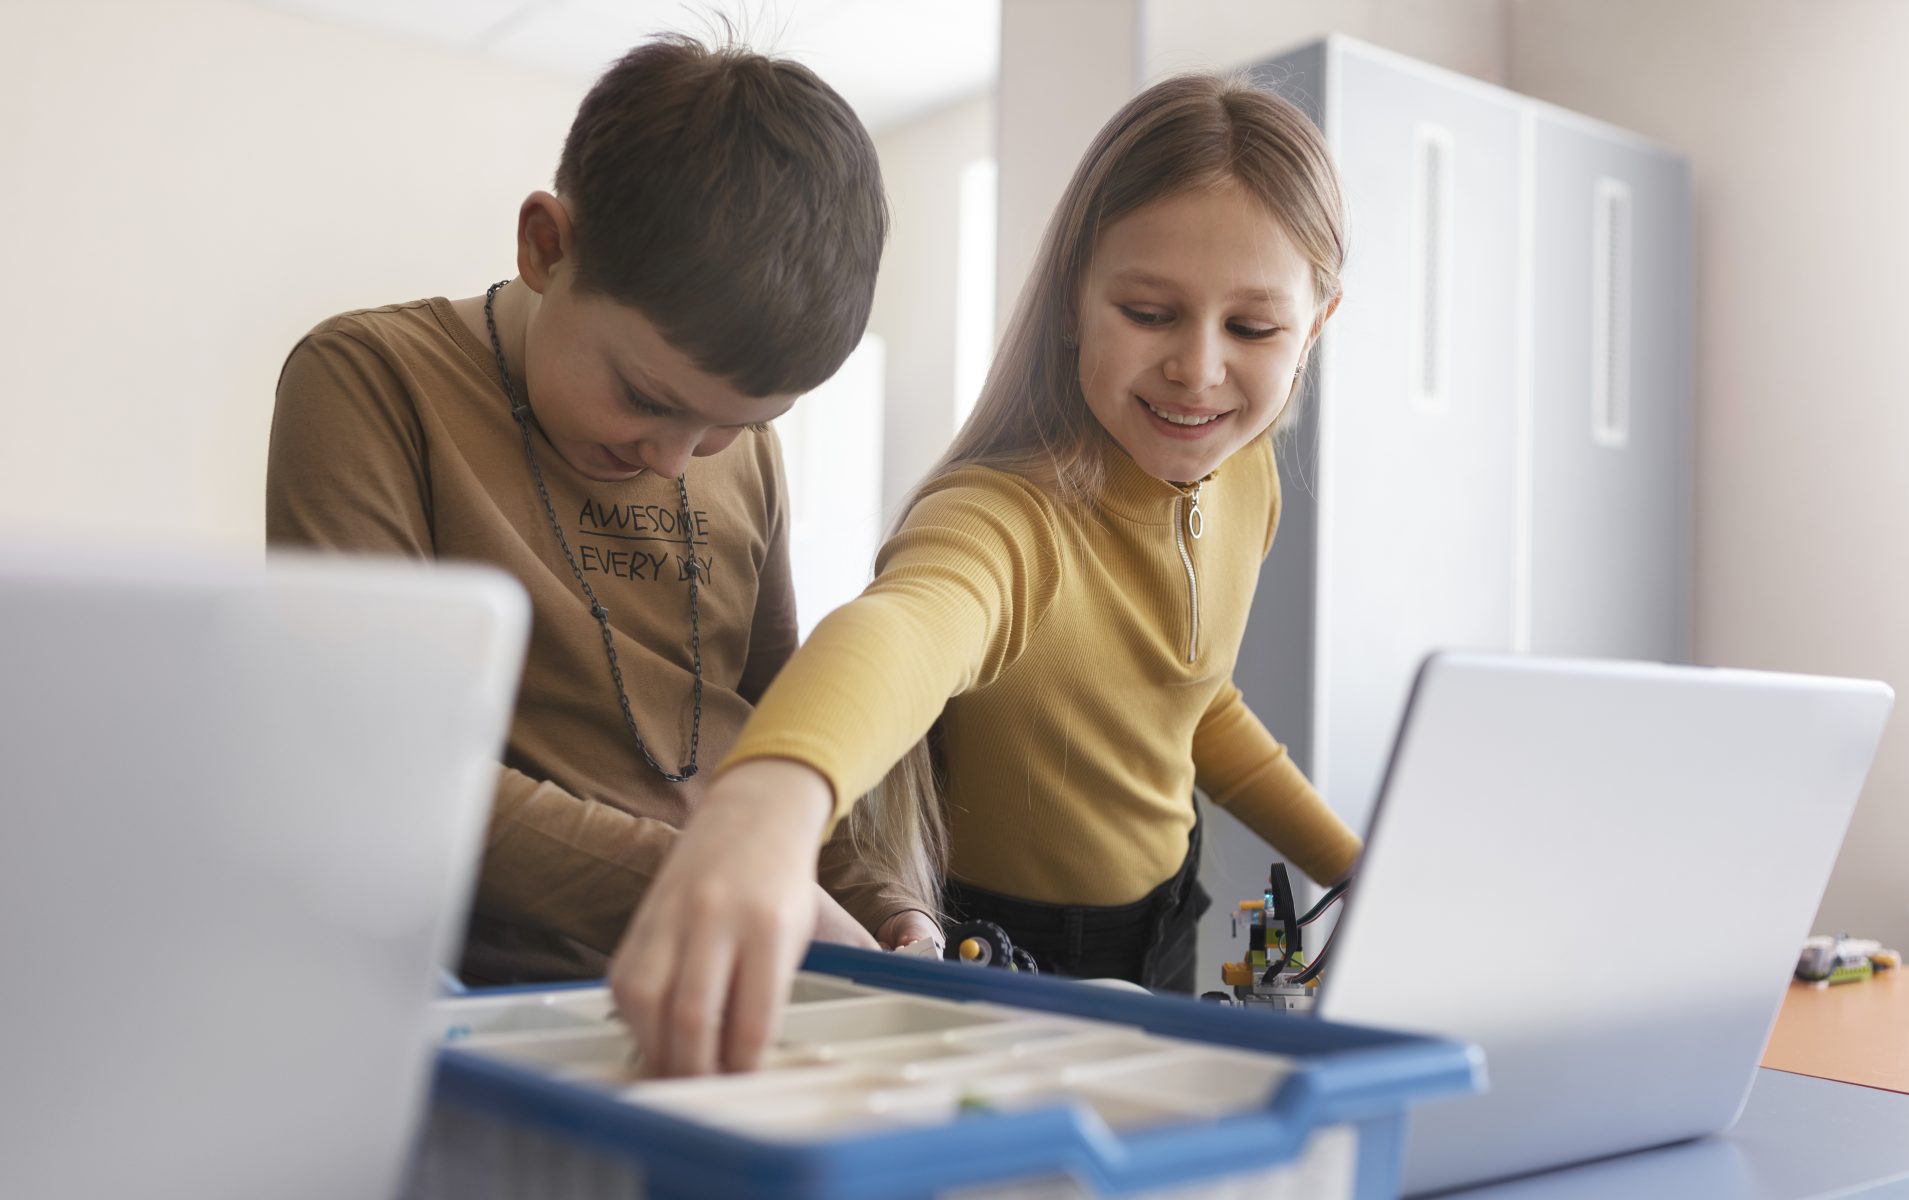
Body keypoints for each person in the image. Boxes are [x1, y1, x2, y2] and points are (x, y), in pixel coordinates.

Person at [609, 72, 1364, 1076]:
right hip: (1000, 948)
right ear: (1069, 304)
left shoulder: (1246, 479)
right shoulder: (1005, 515)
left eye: (1251, 329)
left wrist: (1360, 870)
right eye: (1148, 311)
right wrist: (764, 807)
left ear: (1312, 327)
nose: (1196, 367)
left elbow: (1187, 697)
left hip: (1165, 921)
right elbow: (905, 630)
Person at [267, 36, 935, 983]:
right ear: (546, 247)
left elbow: (775, 727)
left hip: (727, 975)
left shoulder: (742, 450)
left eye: (734, 424)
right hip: (472, 998)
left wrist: (885, 905)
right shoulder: (371, 382)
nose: (674, 457)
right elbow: (374, 765)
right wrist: (720, 878)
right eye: (646, 398)